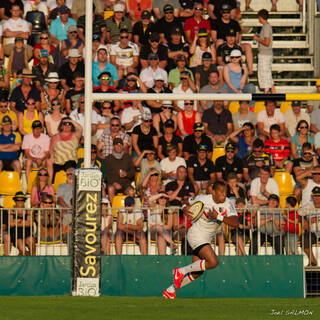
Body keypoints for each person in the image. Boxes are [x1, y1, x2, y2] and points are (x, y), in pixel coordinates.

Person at [162, 181, 239, 299]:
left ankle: (170, 290)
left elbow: (235, 223)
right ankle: (181, 271)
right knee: (213, 262)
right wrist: (183, 207)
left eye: (225, 192)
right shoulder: (203, 199)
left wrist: (218, 216)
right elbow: (185, 201)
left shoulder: (228, 203)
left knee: (197, 272)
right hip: (196, 234)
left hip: (207, 238)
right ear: (213, 191)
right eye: (221, 192)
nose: (224, 194)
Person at [105, 138, 135, 204]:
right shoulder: (108, 158)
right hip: (113, 183)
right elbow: (105, 175)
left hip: (125, 183)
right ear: (113, 146)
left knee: (131, 192)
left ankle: (129, 211)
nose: (119, 146)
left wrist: (126, 174)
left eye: (120, 145)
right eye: (116, 145)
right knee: (110, 189)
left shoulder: (128, 157)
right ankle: (114, 211)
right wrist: (113, 183)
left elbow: (133, 172)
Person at [8, 191, 36, 255]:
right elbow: (10, 223)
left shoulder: (28, 210)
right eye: (18, 200)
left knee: (32, 243)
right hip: (16, 234)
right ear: (15, 201)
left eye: (22, 200)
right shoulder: (11, 210)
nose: (20, 202)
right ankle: (26, 261)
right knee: (22, 250)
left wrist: (17, 222)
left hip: (27, 233)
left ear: (24, 201)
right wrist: (24, 222)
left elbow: (30, 223)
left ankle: (34, 259)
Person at [254, 9, 275, 94]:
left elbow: (267, 42)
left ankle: (267, 94)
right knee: (267, 76)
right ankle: (272, 93)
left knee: (265, 75)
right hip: (266, 54)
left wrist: (257, 39)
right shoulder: (266, 27)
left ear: (260, 17)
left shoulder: (266, 27)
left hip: (265, 54)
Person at [299, 186, 320, 266]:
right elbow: (298, 213)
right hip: (312, 232)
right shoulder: (308, 206)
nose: (317, 197)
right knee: (304, 238)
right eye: (315, 195)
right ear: (312, 196)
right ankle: (313, 261)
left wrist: (317, 219)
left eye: (319, 195)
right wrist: (303, 220)